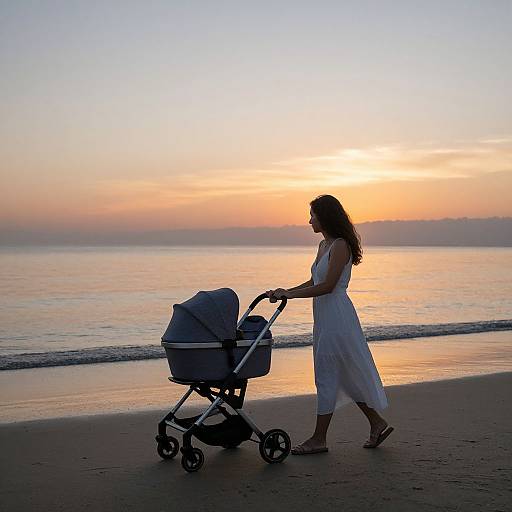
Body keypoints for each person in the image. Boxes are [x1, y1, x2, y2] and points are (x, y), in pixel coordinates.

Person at [266, 194, 393, 454]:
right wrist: (285, 290)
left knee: (326, 373)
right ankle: (376, 423)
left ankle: (319, 439)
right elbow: (313, 281)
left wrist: (290, 296)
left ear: (324, 216)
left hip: (337, 316)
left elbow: (327, 286)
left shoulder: (340, 246)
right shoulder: (324, 246)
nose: (309, 219)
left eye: (312, 214)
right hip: (325, 317)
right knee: (341, 373)